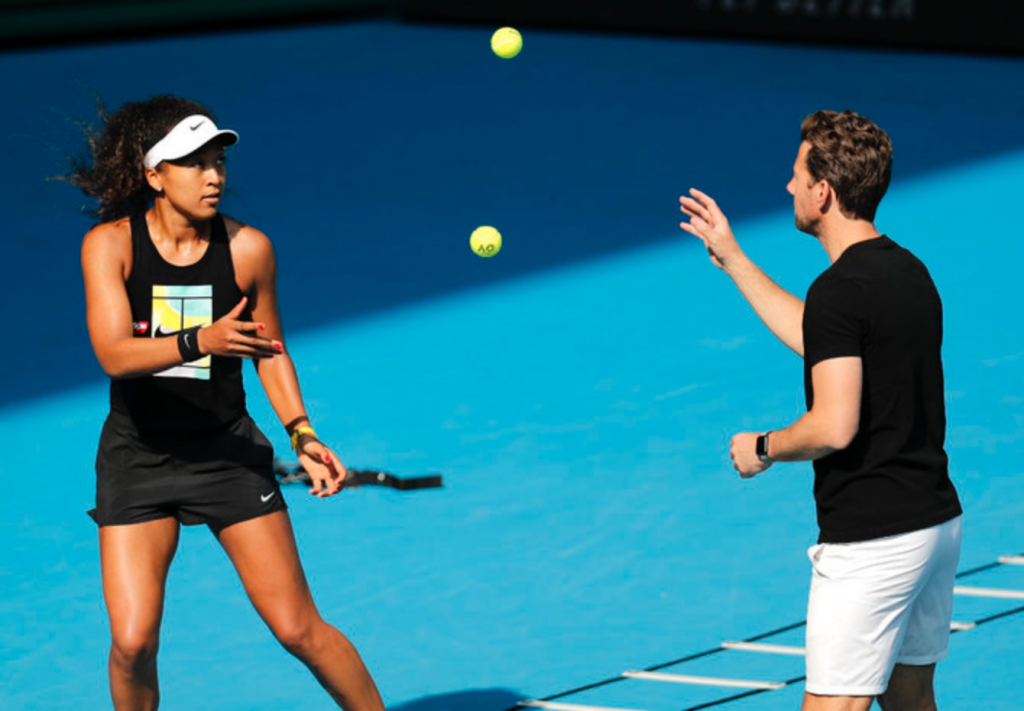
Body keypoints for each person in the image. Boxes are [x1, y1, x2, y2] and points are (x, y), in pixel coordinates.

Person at [70, 95, 386, 711]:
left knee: (299, 629)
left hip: (226, 457)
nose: (213, 176)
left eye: (218, 161)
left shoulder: (248, 250)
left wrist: (302, 433)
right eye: (194, 164)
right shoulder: (109, 246)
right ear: (154, 175)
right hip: (138, 460)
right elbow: (112, 354)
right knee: (132, 643)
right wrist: (201, 339)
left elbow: (270, 350)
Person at [679, 110, 963, 711]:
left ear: (823, 191)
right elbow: (823, 338)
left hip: (873, 543)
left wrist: (763, 448)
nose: (788, 187)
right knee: (910, 700)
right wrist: (732, 258)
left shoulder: (839, 293)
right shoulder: (907, 271)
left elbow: (833, 426)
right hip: (934, 526)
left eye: (796, 175)